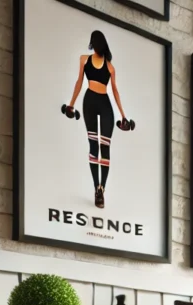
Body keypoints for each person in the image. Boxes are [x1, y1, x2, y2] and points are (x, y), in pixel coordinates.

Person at [65, 30, 128, 209]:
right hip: (90, 102)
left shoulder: (110, 67)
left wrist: (123, 115)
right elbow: (79, 82)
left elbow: (115, 91)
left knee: (105, 147)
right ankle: (96, 188)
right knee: (93, 146)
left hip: (105, 104)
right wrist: (71, 104)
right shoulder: (84, 60)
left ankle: (102, 188)